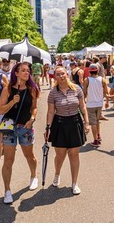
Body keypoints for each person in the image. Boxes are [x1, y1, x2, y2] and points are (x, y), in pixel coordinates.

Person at [0, 62, 40, 204]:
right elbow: (1, 110)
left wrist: (33, 118)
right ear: (16, 73)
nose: (26, 73)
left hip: (25, 127)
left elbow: (34, 108)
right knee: (8, 160)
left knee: (29, 156)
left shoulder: (32, 89)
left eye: (28, 70)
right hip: (9, 128)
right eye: (23, 70)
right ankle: (7, 190)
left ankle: (34, 176)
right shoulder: (7, 90)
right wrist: (12, 102)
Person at [45, 66, 90, 195]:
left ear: (67, 74)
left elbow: (83, 107)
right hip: (59, 124)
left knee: (74, 154)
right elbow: (50, 111)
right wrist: (48, 128)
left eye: (63, 73)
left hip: (75, 123)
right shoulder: (53, 92)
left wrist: (86, 122)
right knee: (60, 155)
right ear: (55, 77)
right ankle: (57, 174)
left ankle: (74, 183)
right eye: (58, 74)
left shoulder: (77, 89)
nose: (61, 76)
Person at [83, 64, 109, 147]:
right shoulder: (102, 80)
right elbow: (106, 92)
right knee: (97, 121)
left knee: (93, 123)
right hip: (99, 103)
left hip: (90, 104)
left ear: (89, 71)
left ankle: (96, 140)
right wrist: (107, 101)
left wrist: (83, 101)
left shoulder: (87, 80)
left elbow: (84, 92)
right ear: (97, 71)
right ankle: (98, 135)